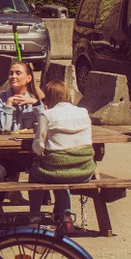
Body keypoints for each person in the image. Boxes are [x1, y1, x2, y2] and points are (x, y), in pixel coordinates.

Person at [29, 78, 96, 228]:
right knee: (61, 172)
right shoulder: (83, 112)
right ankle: (66, 216)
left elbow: (38, 147)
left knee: (39, 173)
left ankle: (34, 218)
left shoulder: (47, 115)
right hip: (84, 172)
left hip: (58, 171)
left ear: (49, 97)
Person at [0, 61, 42, 133]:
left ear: (29, 78)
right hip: (5, 142)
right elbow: (1, 128)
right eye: (11, 73)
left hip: (29, 143)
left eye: (18, 73)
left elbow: (44, 127)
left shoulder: (36, 100)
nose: (13, 76)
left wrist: (36, 104)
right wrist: (8, 105)